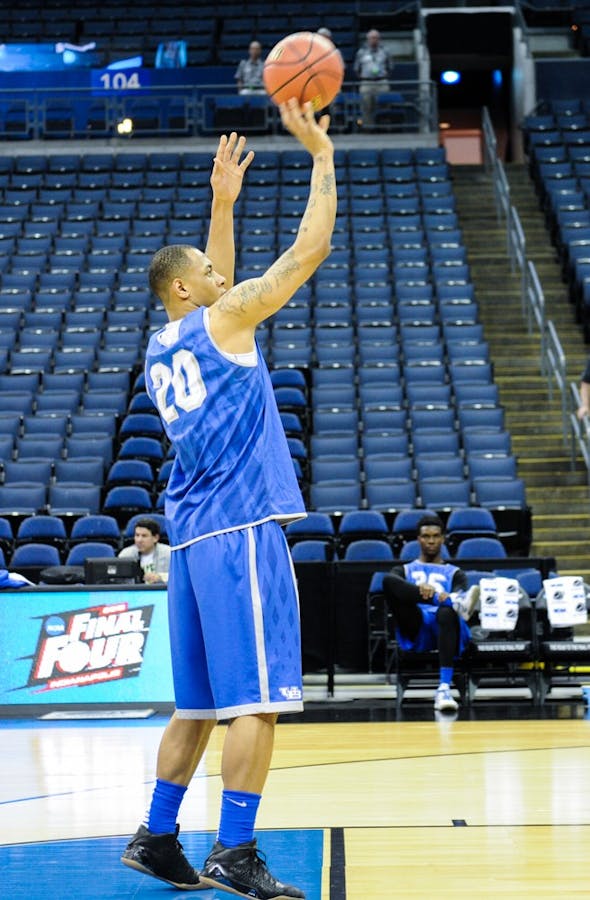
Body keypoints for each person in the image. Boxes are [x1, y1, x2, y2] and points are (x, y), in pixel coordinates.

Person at [121, 99, 336, 898]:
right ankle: (234, 850)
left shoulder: (160, 346)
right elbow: (309, 250)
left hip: (190, 539)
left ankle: (156, 835)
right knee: (259, 705)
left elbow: (212, 286)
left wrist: (222, 206)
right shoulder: (229, 318)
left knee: (196, 706)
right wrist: (321, 157)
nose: (226, 277)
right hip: (241, 530)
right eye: (212, 275)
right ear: (187, 288)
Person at [382, 514, 479, 713]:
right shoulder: (404, 569)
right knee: (388, 581)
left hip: (445, 626)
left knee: (447, 611)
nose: (431, 541)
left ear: (443, 538)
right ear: (418, 539)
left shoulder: (455, 573)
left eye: (436, 536)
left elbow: (462, 593)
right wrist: (424, 592)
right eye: (426, 536)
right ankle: (445, 600)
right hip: (416, 624)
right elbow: (393, 585)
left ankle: (444, 689)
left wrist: (445, 600)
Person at [353, 28, 394, 128]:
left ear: (379, 39)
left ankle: (383, 126)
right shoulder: (361, 52)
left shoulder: (385, 51)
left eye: (376, 38)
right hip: (367, 83)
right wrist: (364, 78)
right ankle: (368, 127)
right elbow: (356, 68)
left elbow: (390, 67)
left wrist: (384, 76)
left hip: (381, 82)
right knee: (366, 105)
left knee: (385, 104)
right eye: (372, 38)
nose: (374, 40)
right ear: (368, 39)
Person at [118, 517, 171, 585]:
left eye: (144, 536)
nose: (139, 540)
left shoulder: (169, 553)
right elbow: (119, 580)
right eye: (137, 535)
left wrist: (160, 577)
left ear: (155, 538)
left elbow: (178, 577)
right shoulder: (125, 555)